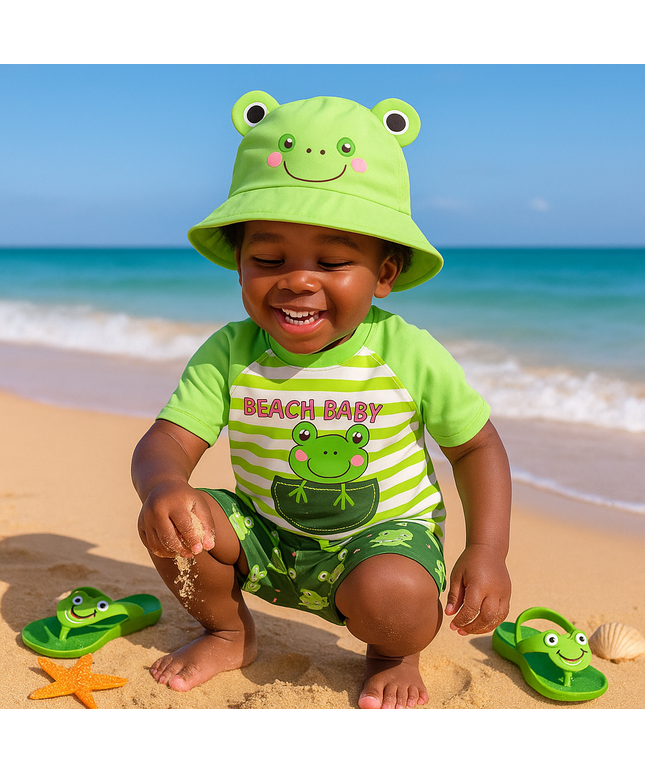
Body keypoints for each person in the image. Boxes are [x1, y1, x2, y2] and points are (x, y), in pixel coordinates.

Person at [132, 91, 512, 709]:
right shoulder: (231, 350)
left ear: (385, 274)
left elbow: (476, 448)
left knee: (396, 597)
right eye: (268, 258)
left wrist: (487, 550)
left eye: (332, 261)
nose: (298, 279)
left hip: (383, 545)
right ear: (238, 261)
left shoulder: (406, 353)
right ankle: (227, 631)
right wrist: (163, 485)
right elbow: (168, 440)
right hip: (267, 536)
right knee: (177, 521)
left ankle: (393, 655)